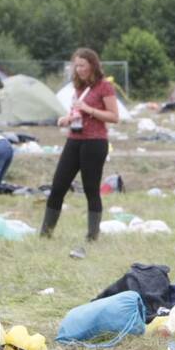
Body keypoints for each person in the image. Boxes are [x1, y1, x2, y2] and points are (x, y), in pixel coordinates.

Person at [39, 48, 120, 252]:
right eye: (76, 65)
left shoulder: (105, 87)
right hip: (74, 140)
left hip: (95, 142)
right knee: (58, 186)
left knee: (91, 189)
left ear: (93, 65)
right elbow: (76, 112)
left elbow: (114, 116)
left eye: (82, 65)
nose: (79, 69)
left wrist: (89, 109)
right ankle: (45, 234)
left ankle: (92, 236)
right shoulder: (78, 87)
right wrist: (67, 119)